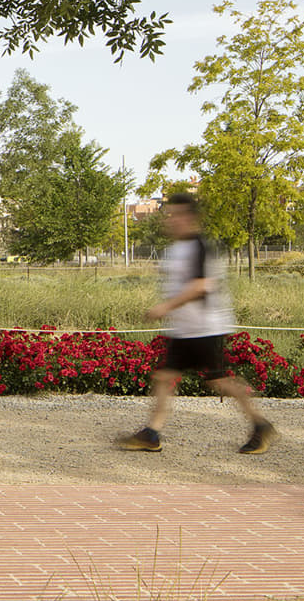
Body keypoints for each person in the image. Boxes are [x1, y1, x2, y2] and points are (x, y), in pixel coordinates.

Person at [118, 192, 277, 454]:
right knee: (163, 378)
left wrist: (165, 307)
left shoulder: (200, 246)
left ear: (190, 218)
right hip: (184, 330)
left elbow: (201, 287)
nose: (171, 220)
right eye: (169, 215)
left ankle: (261, 425)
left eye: (177, 215)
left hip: (206, 327)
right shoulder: (176, 248)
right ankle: (152, 433)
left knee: (221, 382)